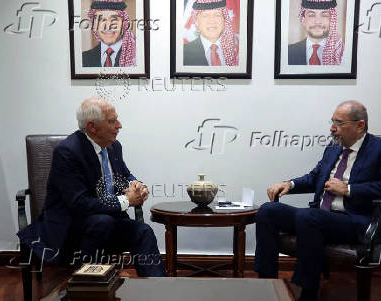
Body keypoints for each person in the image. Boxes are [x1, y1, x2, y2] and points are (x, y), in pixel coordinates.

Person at [255, 101, 381, 301]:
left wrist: (350, 189)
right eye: (332, 121)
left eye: (339, 123)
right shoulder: (334, 148)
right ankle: (267, 284)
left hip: (354, 220)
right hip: (318, 217)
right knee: (268, 210)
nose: (332, 127)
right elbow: (315, 177)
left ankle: (307, 292)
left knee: (309, 217)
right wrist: (289, 184)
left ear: (360, 126)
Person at [17, 97, 166, 277]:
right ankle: (90, 285)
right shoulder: (68, 152)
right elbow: (79, 203)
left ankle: (157, 288)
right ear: (92, 127)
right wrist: (127, 200)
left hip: (107, 221)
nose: (119, 125)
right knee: (102, 222)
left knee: (143, 231)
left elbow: (124, 174)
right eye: (112, 121)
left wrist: (136, 185)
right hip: (70, 228)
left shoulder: (113, 146)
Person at [288, 0, 344, 65]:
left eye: (324, 15)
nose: (317, 21)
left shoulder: (341, 54)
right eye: (311, 15)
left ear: (331, 20)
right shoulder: (288, 52)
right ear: (303, 21)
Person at [183, 0, 238, 66]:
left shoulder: (238, 50)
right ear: (196, 21)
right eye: (205, 16)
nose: (212, 21)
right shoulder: (183, 54)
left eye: (217, 15)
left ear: (224, 19)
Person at [82, 0, 136, 67]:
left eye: (114, 19)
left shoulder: (136, 55)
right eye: (100, 19)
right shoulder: (83, 59)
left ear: (124, 23)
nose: (108, 26)